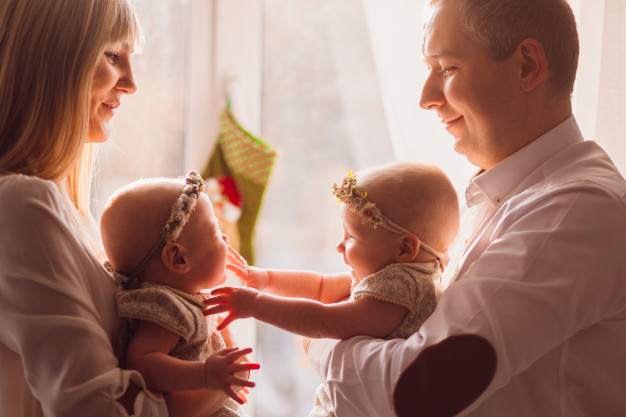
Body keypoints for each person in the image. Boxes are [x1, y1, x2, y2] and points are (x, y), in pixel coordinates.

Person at [304, 0, 626, 416]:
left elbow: (418, 391)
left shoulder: (576, 213)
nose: (426, 97)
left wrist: (319, 335)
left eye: (448, 67)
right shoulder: (505, 199)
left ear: (527, 65)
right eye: (428, 68)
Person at [0, 1, 240, 416]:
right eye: (113, 55)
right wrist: (217, 388)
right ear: (52, 61)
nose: (131, 83)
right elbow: (97, 407)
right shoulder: (22, 205)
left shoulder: (64, 209)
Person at [203, 161, 460, 417]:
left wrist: (256, 305)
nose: (339, 245)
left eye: (351, 237)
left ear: (405, 248)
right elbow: (321, 286)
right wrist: (266, 278)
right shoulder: (389, 275)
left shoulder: (404, 286)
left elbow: (325, 322)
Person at [100, 171, 260, 417]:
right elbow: (143, 361)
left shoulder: (189, 298)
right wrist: (207, 374)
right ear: (178, 259)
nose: (226, 237)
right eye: (217, 232)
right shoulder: (167, 306)